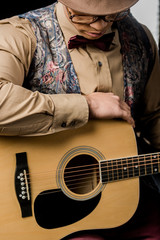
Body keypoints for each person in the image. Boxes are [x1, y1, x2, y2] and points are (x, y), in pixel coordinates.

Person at [0, 0, 160, 239]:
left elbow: (154, 115)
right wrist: (87, 105)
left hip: (127, 198)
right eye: (85, 16)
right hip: (52, 215)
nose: (99, 26)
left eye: (110, 16)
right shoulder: (21, 34)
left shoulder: (141, 39)